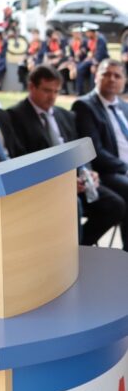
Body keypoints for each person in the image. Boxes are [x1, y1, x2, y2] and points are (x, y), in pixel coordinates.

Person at [7, 65, 124, 246]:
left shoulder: (65, 115)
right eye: (46, 90)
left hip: (78, 181)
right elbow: (23, 159)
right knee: (73, 204)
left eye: (56, 91)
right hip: (46, 184)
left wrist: (89, 171)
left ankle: (79, 248)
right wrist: (63, 182)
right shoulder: (16, 116)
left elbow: (80, 150)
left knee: (115, 205)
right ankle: (67, 255)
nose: (52, 96)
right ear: (32, 87)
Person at [73, 59, 128, 249]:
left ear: (124, 80)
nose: (111, 79)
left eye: (117, 75)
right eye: (106, 74)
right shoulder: (85, 106)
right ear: (96, 76)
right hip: (105, 173)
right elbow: (95, 151)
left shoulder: (124, 107)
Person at [74, 23, 109, 96]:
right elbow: (87, 49)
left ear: (92, 32)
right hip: (91, 60)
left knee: (93, 72)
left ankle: (93, 93)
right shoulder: (90, 40)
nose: (86, 34)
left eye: (87, 32)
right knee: (79, 68)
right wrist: (81, 51)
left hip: (100, 62)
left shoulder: (100, 40)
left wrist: (94, 64)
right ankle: (79, 91)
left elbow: (101, 54)